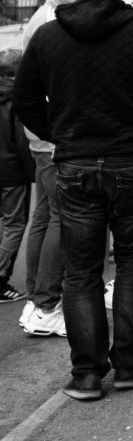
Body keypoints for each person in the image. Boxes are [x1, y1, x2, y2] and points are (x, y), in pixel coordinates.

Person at [15, 0, 133, 401]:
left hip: (74, 164)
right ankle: (129, 362)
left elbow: (24, 100)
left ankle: (86, 374)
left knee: (81, 272)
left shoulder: (48, 36)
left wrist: (61, 133)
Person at [16, 0, 79, 337]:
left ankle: (36, 297)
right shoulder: (49, 23)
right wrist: (55, 132)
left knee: (44, 214)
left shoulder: (44, 18)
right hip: (51, 137)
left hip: (43, 136)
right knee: (57, 216)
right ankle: (46, 305)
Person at [0, 49, 33, 304]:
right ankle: (0, 279)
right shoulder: (16, 98)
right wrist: (30, 171)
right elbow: (22, 142)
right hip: (12, 170)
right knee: (14, 223)